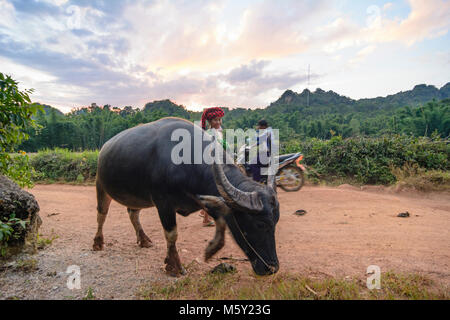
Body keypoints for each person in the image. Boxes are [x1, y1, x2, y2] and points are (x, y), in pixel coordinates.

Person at [199, 107, 226, 227]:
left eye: (220, 119)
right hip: (211, 166)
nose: (218, 122)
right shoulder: (209, 133)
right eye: (215, 120)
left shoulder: (217, 132)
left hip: (215, 164)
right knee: (213, 192)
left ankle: (203, 212)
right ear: (210, 121)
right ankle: (206, 219)